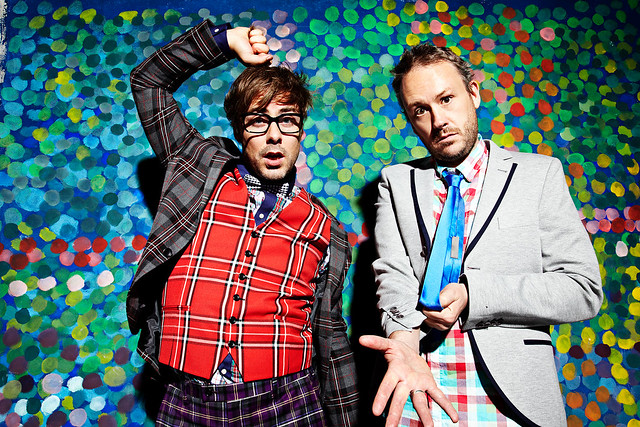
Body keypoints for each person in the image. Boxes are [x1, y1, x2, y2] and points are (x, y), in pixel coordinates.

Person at [126, 19, 358, 426]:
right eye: (257, 121)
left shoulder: (327, 230)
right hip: (185, 398)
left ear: (301, 131)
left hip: (287, 402)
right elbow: (149, 82)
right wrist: (224, 40)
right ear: (239, 129)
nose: (274, 135)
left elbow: (330, 334)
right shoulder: (197, 166)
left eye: (287, 120)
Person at [359, 43, 603, 426]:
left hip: (510, 398)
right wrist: (403, 340)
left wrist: (475, 295)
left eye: (446, 99)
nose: (438, 120)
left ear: (473, 93)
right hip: (418, 387)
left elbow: (582, 289)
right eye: (420, 110)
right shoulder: (396, 182)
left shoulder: (538, 175)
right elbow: (394, 275)